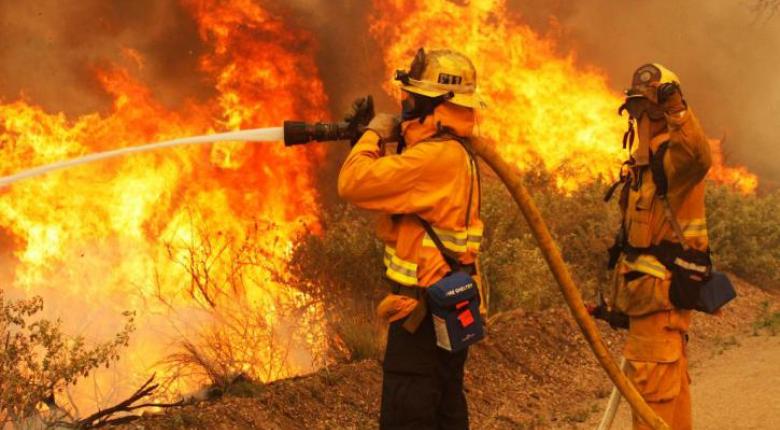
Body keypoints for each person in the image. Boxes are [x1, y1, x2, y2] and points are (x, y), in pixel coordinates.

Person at [338, 48, 484, 430]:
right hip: (447, 310)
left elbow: (352, 184)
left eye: (412, 100)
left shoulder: (433, 160)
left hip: (419, 318)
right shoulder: (454, 152)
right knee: (445, 409)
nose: (405, 108)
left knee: (410, 412)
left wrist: (372, 135)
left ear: (437, 106)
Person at [607, 63, 712, 429]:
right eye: (636, 108)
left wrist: (676, 107)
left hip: (660, 310)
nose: (639, 117)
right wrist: (618, 304)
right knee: (671, 407)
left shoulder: (675, 161)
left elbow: (699, 154)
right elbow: (638, 246)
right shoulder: (645, 166)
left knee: (653, 410)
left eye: (646, 108)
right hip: (647, 310)